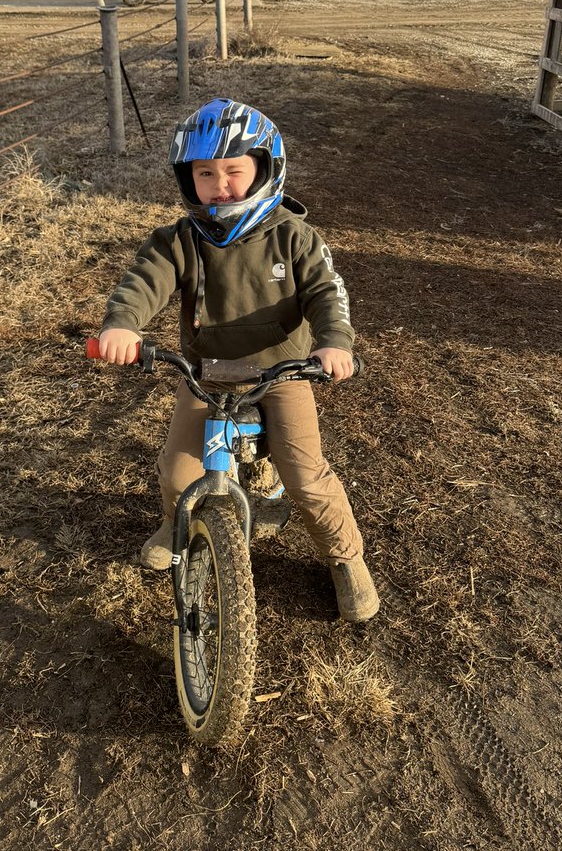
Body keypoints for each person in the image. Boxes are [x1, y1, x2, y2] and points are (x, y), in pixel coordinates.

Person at [95, 98, 379, 622]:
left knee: (305, 475)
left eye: (233, 171)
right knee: (178, 472)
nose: (220, 185)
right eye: (205, 173)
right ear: (188, 179)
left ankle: (345, 557)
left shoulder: (295, 236)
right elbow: (143, 281)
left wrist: (333, 341)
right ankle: (174, 523)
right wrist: (122, 324)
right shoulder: (179, 240)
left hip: (284, 373)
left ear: (265, 171)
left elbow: (325, 292)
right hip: (206, 374)